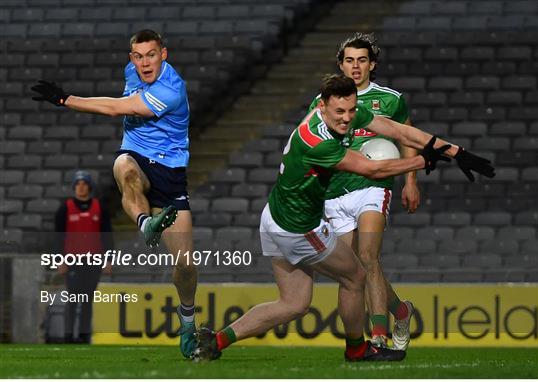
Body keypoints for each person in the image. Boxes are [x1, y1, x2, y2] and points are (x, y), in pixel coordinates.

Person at [191, 74, 495, 362]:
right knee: (356, 277)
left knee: (293, 304)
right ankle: (357, 350)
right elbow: (371, 170)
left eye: (351, 110)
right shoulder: (317, 140)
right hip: (298, 228)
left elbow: (399, 131)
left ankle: (215, 341)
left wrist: (457, 152)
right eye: (339, 111)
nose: (347, 118)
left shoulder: (344, 114)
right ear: (321, 106)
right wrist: (419, 161)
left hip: (274, 218)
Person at [32, 30, 197, 357]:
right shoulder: (130, 72)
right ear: (131, 58)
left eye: (151, 55)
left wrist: (66, 99)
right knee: (124, 168)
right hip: (136, 156)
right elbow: (119, 107)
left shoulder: (171, 89)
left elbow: (116, 109)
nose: (144, 62)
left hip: (170, 172)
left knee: (186, 266)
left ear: (164, 54)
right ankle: (145, 223)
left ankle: (188, 320)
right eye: (138, 56)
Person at [308, 32, 418, 349]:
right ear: (341, 65)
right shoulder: (323, 102)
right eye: (349, 61)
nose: (355, 67)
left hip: (374, 185)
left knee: (369, 257)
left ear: (372, 64)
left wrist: (411, 180)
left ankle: (379, 338)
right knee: (355, 267)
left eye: (362, 60)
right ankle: (400, 311)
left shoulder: (390, 99)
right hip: (336, 190)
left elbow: (407, 137)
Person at [55, 170, 113, 343]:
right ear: (74, 187)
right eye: (78, 184)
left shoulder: (99, 208)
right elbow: (58, 236)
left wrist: (108, 259)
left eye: (84, 184)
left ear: (89, 187)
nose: (81, 187)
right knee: (73, 298)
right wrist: (59, 259)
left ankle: (83, 335)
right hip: (72, 261)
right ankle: (68, 336)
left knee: (87, 300)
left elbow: (107, 235)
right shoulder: (65, 208)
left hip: (93, 261)